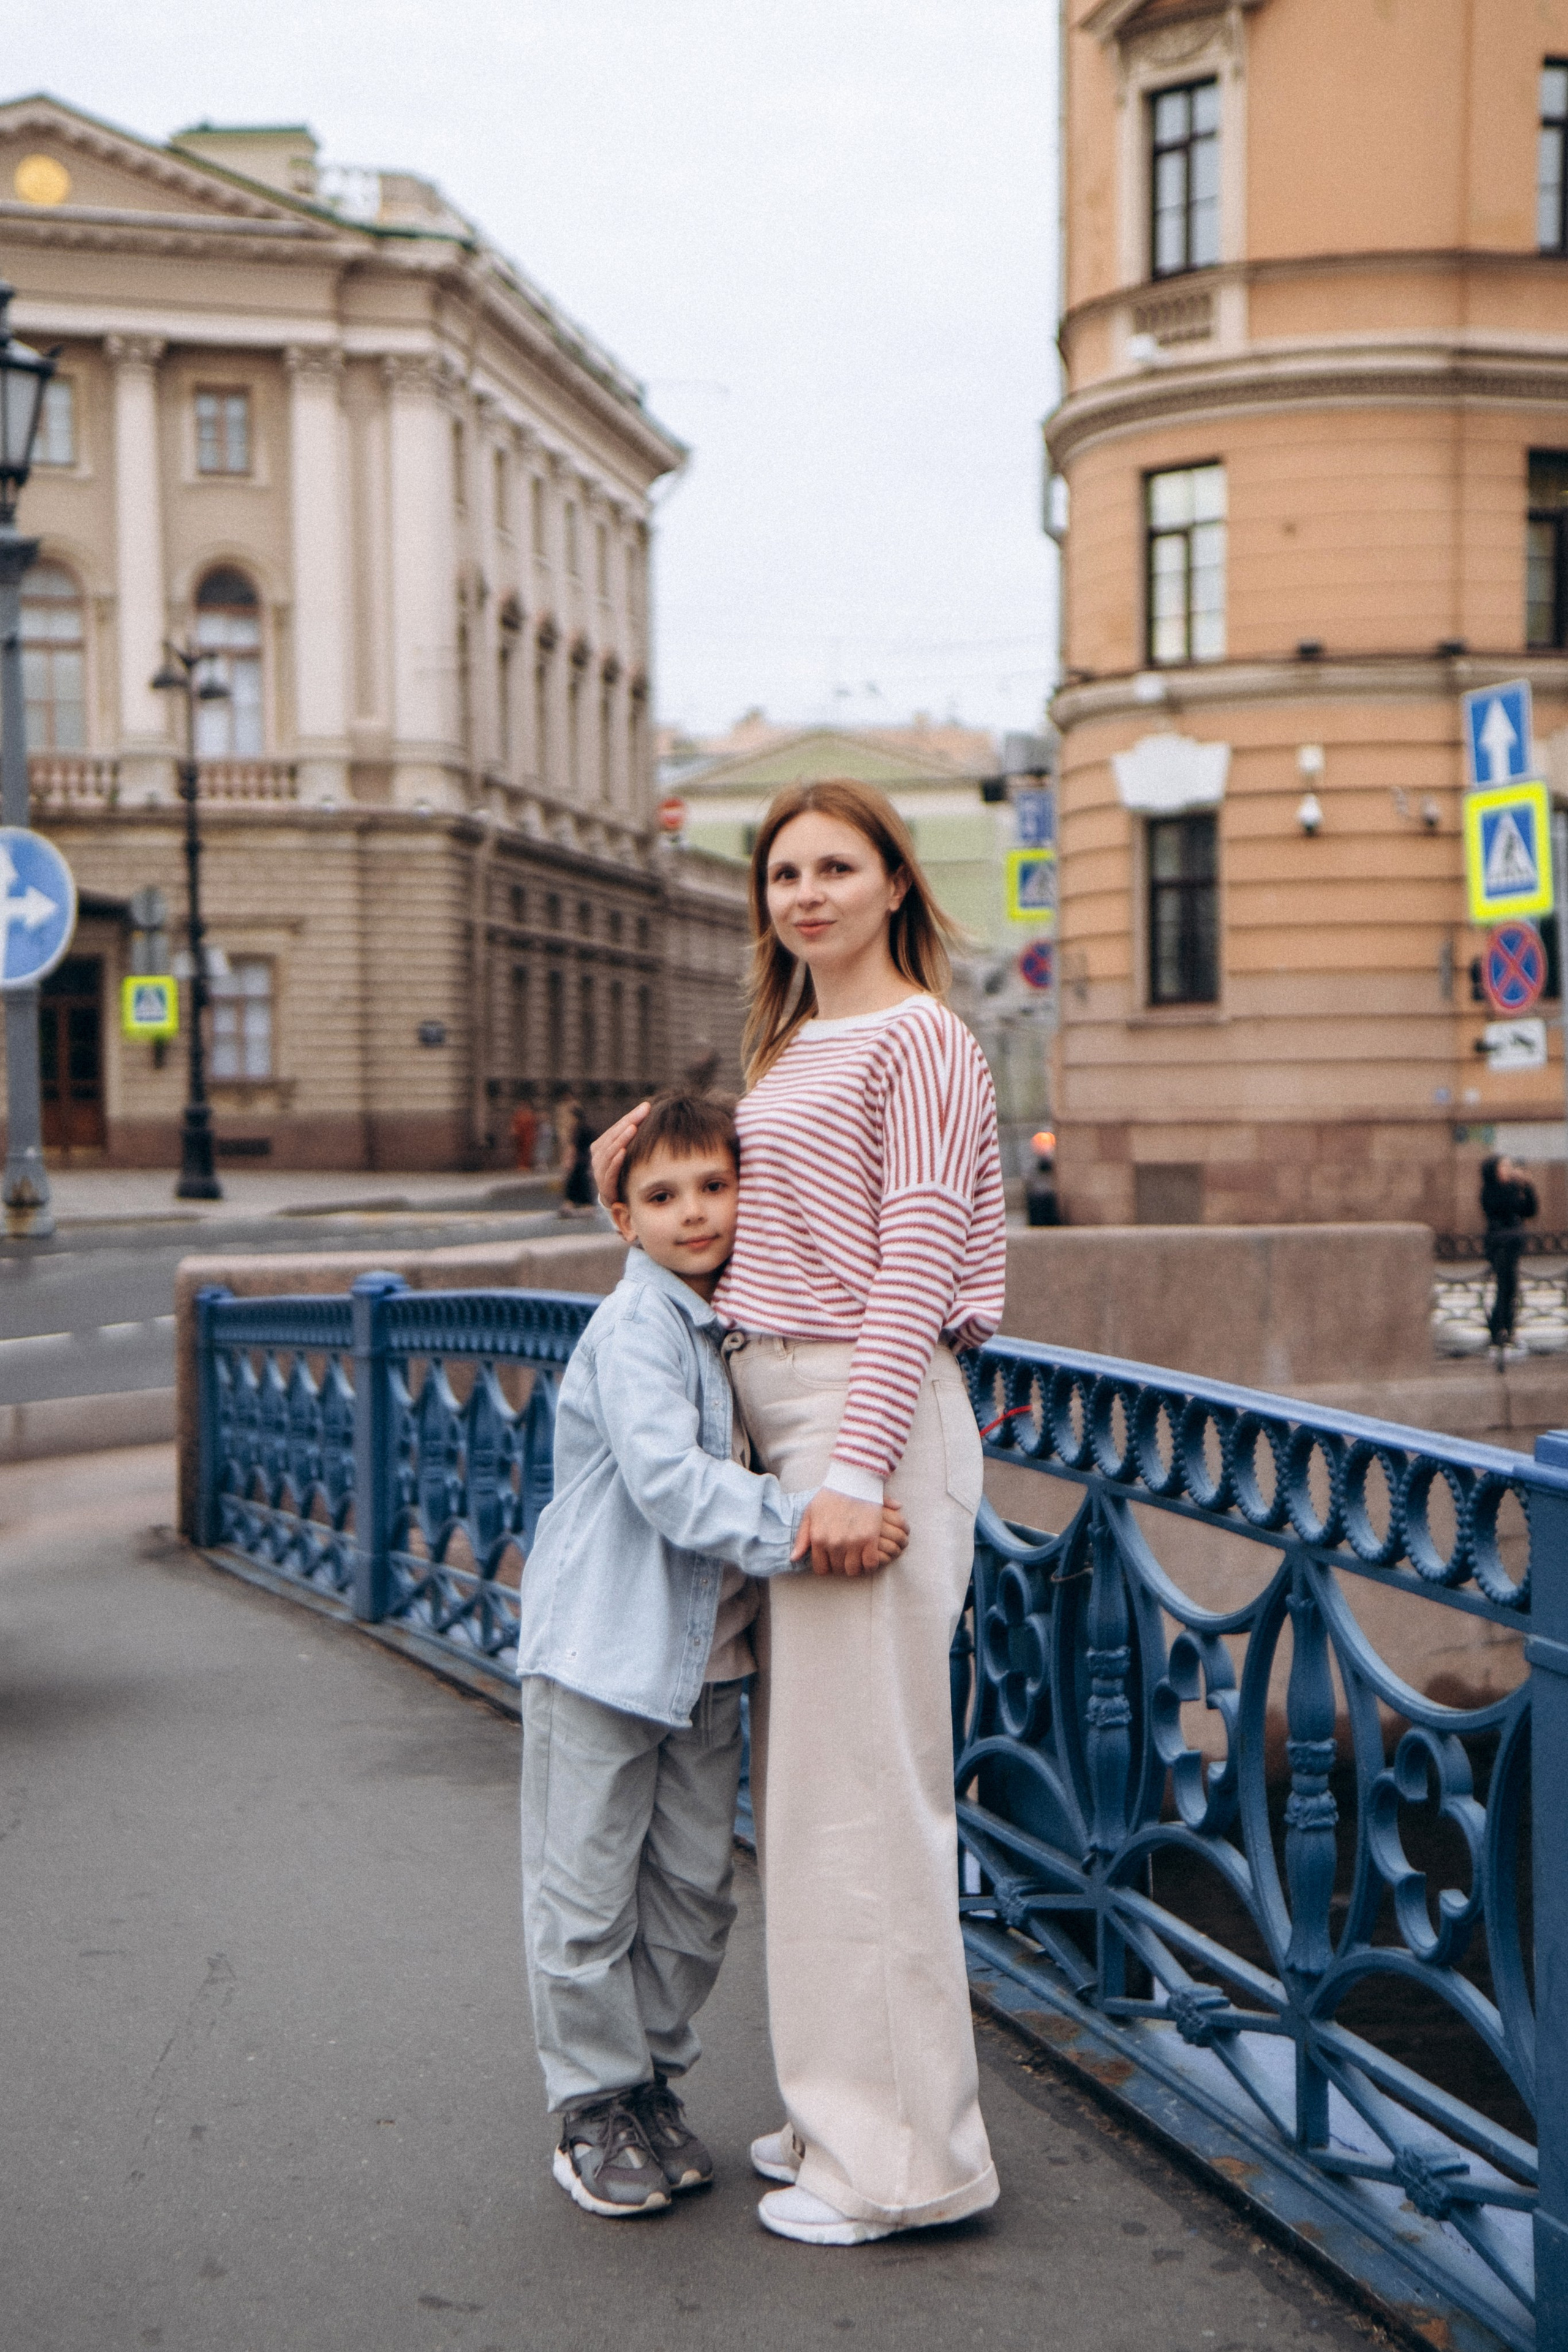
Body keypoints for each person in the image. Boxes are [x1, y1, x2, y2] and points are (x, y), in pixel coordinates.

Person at [593, 777, 1005, 2248]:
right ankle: (837, 2102)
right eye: (782, 870)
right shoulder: (796, 1043)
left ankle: (899, 2165)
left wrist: (851, 1468)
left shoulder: (921, 1035)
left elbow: (911, 1262)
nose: (805, 890)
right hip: (791, 1424)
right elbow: (761, 1224)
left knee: (866, 1807)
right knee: (818, 1799)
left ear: (896, 881)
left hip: (853, 1424)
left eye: (837, 864)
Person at [516, 1088, 908, 2220]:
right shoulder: (637, 1329)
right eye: (661, 1195)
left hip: (710, 1661)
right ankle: (591, 2111)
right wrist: (809, 1522)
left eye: (715, 1186)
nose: (694, 1212)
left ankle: (649, 2087)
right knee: (587, 1896)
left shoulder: (734, 1308)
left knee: (693, 1894)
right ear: (622, 1218)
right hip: (602, 1653)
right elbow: (669, 1485)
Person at [1481, 1151, 1537, 1357]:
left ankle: (1507, 1329)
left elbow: (1529, 1210)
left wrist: (1528, 1188)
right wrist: (1517, 1187)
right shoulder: (1491, 1191)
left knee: (1510, 1287)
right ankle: (1499, 1329)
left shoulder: (1513, 1189)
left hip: (1513, 1244)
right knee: (1504, 1287)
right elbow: (1505, 1207)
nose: (1509, 1171)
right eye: (1504, 1167)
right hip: (1499, 1245)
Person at [560, 1093, 597, 1215]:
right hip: (585, 1160)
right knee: (581, 1182)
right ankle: (582, 1205)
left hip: (579, 1160)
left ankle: (573, 1204)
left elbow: (573, 1147)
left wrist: (568, 1161)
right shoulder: (587, 1128)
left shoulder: (577, 1129)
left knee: (574, 1183)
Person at [510, 1093, 537, 1174]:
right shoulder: (518, 1114)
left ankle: (526, 1165)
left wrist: (534, 1134)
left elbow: (534, 1125)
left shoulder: (530, 1114)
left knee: (527, 1150)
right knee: (519, 1150)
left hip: (528, 1135)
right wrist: (514, 1131)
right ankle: (520, 1165)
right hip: (520, 1135)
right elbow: (514, 1124)